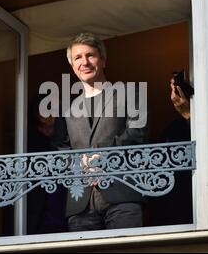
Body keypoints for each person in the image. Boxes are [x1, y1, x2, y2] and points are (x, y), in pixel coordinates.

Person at [53, 32, 149, 232]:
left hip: (123, 194)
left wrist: (101, 154)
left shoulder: (130, 94)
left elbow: (138, 134)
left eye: (90, 55)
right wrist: (81, 163)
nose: (85, 62)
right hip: (80, 202)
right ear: (72, 66)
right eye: (78, 57)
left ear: (103, 60)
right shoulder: (66, 109)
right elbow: (61, 151)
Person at [148, 73, 193, 226]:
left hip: (192, 202)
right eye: (172, 87)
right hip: (170, 206)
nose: (173, 93)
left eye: (176, 87)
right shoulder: (171, 129)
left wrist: (188, 114)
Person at [27, 95, 67, 234]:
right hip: (43, 223)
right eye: (59, 110)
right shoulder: (31, 144)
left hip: (68, 220)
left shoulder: (69, 140)